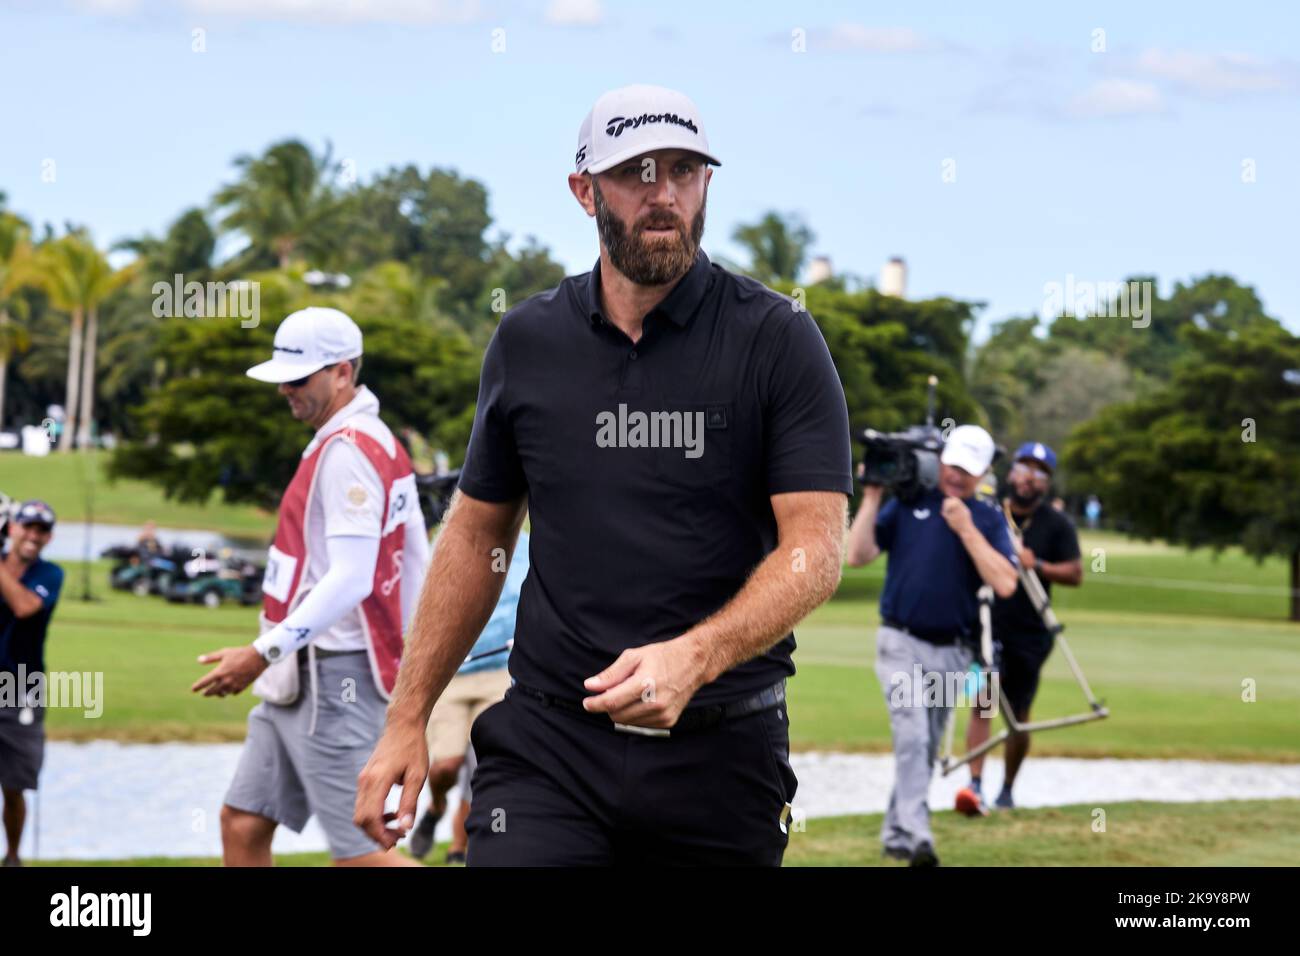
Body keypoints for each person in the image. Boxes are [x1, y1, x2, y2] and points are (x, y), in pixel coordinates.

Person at [355, 83, 852, 866]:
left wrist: (695, 655)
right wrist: (407, 715)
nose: (664, 196)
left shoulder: (778, 338)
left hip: (721, 756)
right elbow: (477, 534)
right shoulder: (527, 340)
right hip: (551, 747)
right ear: (583, 190)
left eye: (684, 171)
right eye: (637, 173)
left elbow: (814, 552)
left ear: (708, 184)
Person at [192, 307, 429, 867]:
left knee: (362, 855)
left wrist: (260, 652)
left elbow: (352, 578)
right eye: (281, 379)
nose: (285, 391)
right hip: (303, 675)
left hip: (332, 676)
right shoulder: (367, 438)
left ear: (342, 373)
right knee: (243, 825)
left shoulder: (349, 448)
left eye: (297, 379)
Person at [845, 425, 1018, 866]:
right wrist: (870, 497)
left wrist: (965, 529)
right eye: (953, 465)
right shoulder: (908, 504)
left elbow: (1005, 582)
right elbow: (858, 555)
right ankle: (919, 835)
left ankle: (895, 837)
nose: (957, 476)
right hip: (900, 641)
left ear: (982, 474)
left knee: (924, 747)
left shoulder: (987, 517)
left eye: (968, 470)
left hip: (953, 652)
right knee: (912, 734)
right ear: (941, 459)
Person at [956, 442, 1082, 814]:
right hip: (985, 623)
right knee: (983, 701)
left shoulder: (1057, 524)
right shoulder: (990, 512)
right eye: (1024, 469)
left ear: (1047, 482)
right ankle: (974, 785)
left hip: (1031, 632)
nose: (1029, 478)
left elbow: (1075, 572)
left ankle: (1007, 790)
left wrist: (1037, 564)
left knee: (1019, 712)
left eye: (1039, 473)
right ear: (1011, 473)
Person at [408, 529, 530, 863]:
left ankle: (459, 849)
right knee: (445, 766)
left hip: (501, 672)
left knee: (485, 767)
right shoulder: (450, 541)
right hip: (453, 674)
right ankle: (435, 806)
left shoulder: (532, 547)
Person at [0, 500, 63, 867]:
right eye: (27, 526)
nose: (33, 535)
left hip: (23, 687)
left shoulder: (50, 574)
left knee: (14, 784)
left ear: (49, 537)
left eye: (42, 530)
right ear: (12, 528)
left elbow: (24, 606)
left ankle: (12, 857)